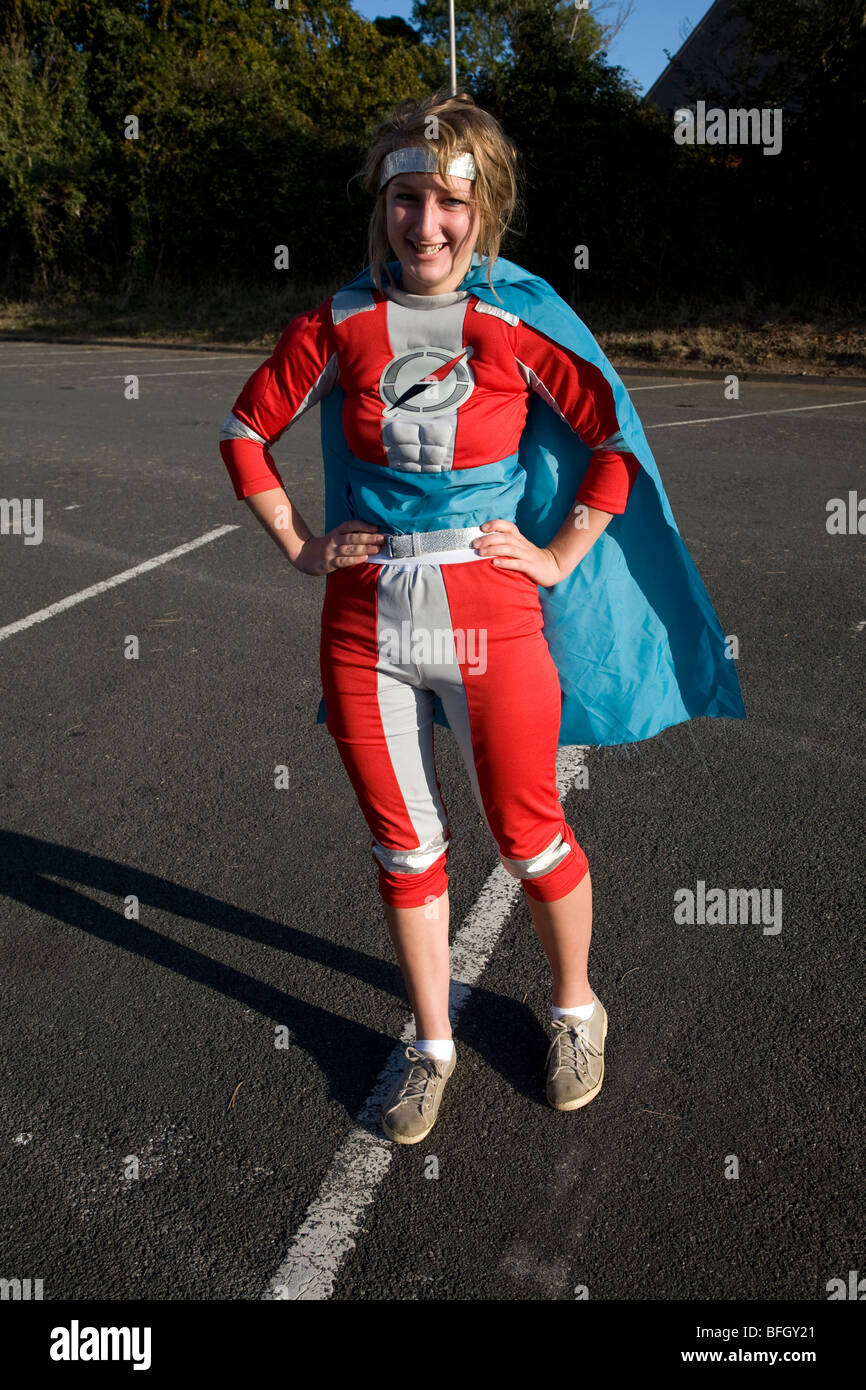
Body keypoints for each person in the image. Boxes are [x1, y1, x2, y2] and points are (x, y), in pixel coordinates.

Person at [219, 92, 745, 1145]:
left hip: (490, 618)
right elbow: (244, 432)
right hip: (364, 626)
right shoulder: (334, 322)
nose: (425, 224)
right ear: (382, 203)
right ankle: (429, 1041)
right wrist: (298, 543)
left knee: (527, 834)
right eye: (406, 198)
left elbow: (611, 442)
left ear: (483, 207)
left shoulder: (513, 322)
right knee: (403, 845)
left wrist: (557, 555)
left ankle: (572, 1008)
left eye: (449, 202)